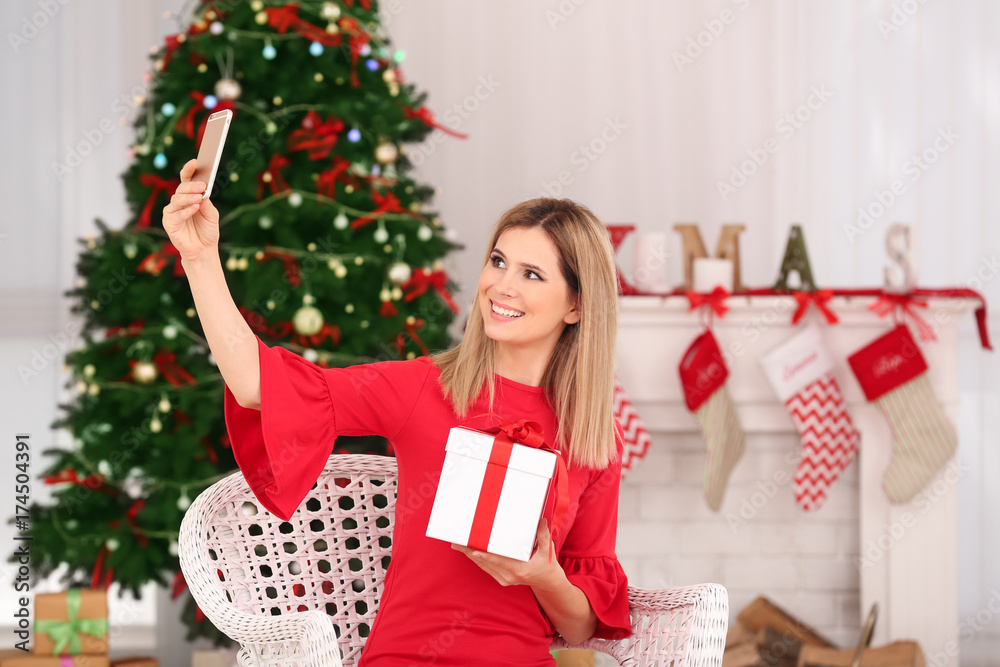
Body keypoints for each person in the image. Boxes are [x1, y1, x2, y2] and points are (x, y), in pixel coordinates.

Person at [163, 158, 631, 665]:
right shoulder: (423, 387)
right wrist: (199, 258)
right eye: (497, 261)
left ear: (577, 307)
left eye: (532, 274)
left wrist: (542, 573)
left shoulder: (591, 436)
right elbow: (259, 384)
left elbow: (582, 628)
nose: (502, 286)